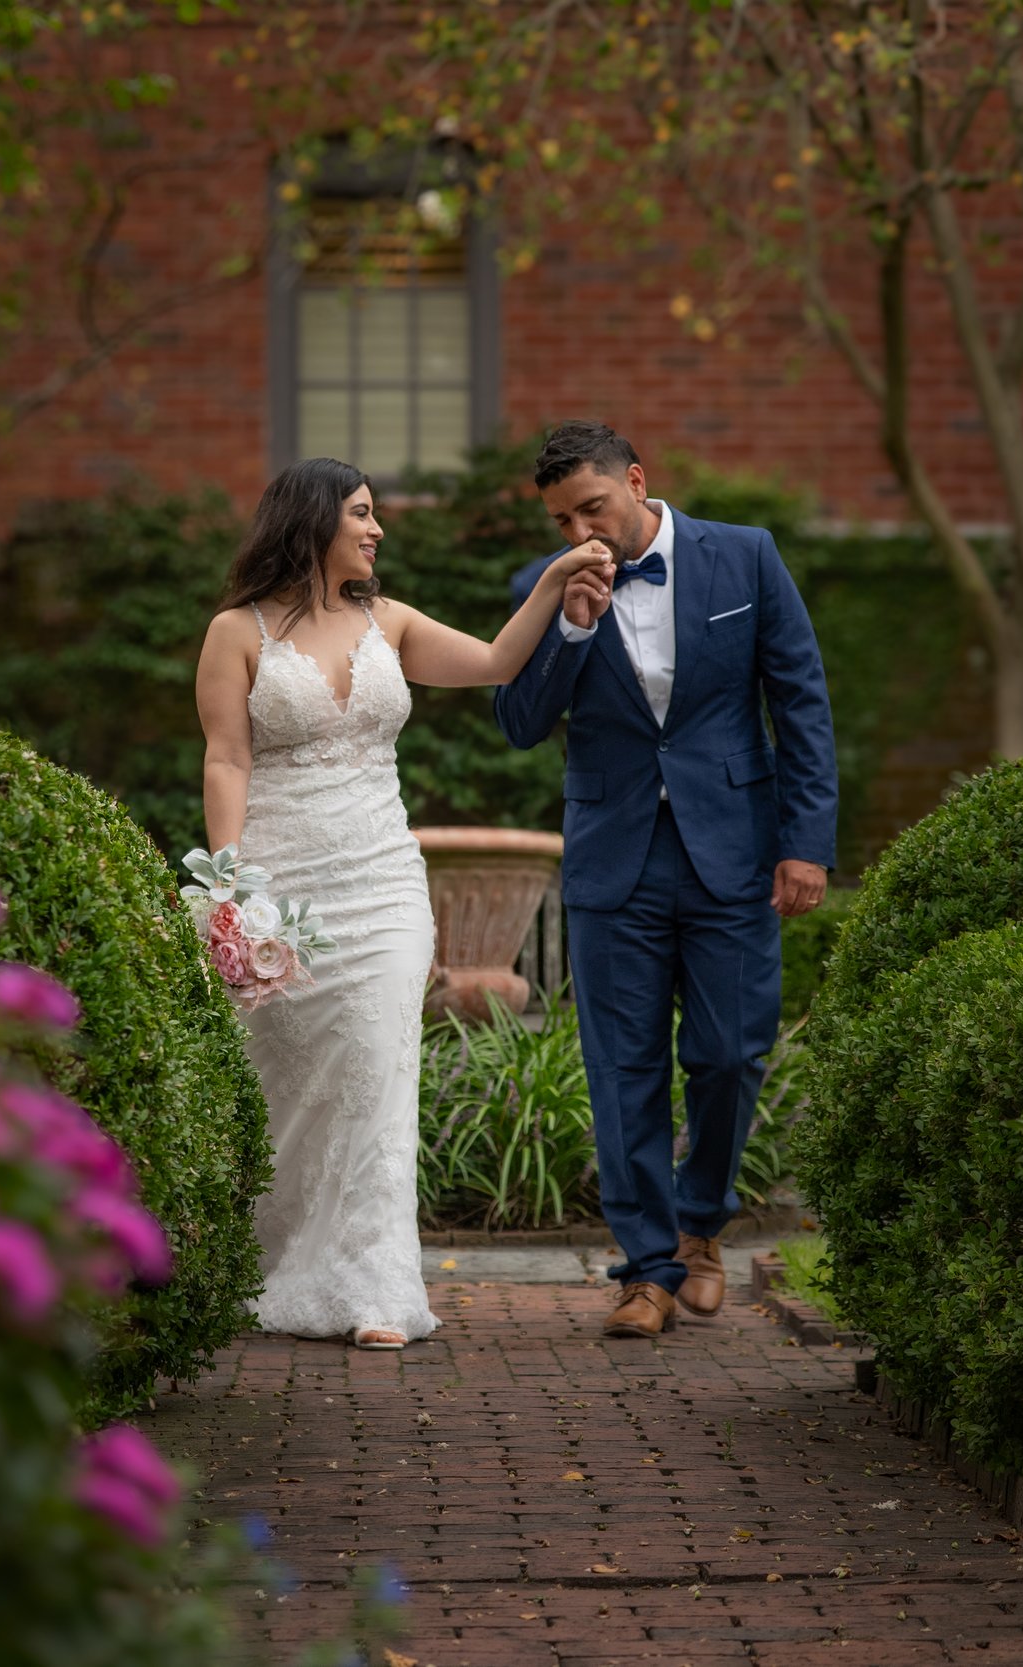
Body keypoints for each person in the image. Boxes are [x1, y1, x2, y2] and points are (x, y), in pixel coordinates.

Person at [195, 456, 613, 1350]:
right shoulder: (236, 632)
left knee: (380, 1069)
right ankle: (277, 1265)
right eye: (362, 513)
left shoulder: (392, 621)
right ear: (313, 522)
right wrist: (230, 890)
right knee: (292, 1084)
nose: (378, 529)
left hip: (384, 879)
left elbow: (501, 660)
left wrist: (551, 582)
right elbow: (227, 758)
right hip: (285, 880)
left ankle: (378, 1288)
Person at [495, 421, 838, 1339]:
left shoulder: (746, 557)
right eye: (563, 519)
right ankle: (643, 1271)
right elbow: (519, 719)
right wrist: (571, 624)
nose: (581, 535)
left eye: (593, 508)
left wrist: (804, 843)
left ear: (637, 481)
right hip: (615, 858)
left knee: (730, 1054)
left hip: (730, 848)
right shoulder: (549, 585)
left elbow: (799, 698)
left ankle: (700, 1228)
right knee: (621, 1068)